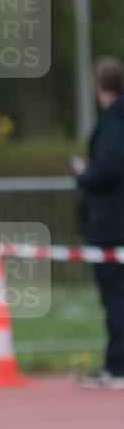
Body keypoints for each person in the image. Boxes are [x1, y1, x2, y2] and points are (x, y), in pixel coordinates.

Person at [73, 57, 124, 390]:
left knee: (115, 295)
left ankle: (117, 365)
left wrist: (84, 175)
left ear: (98, 86)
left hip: (112, 223)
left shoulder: (114, 121)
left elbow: (110, 169)